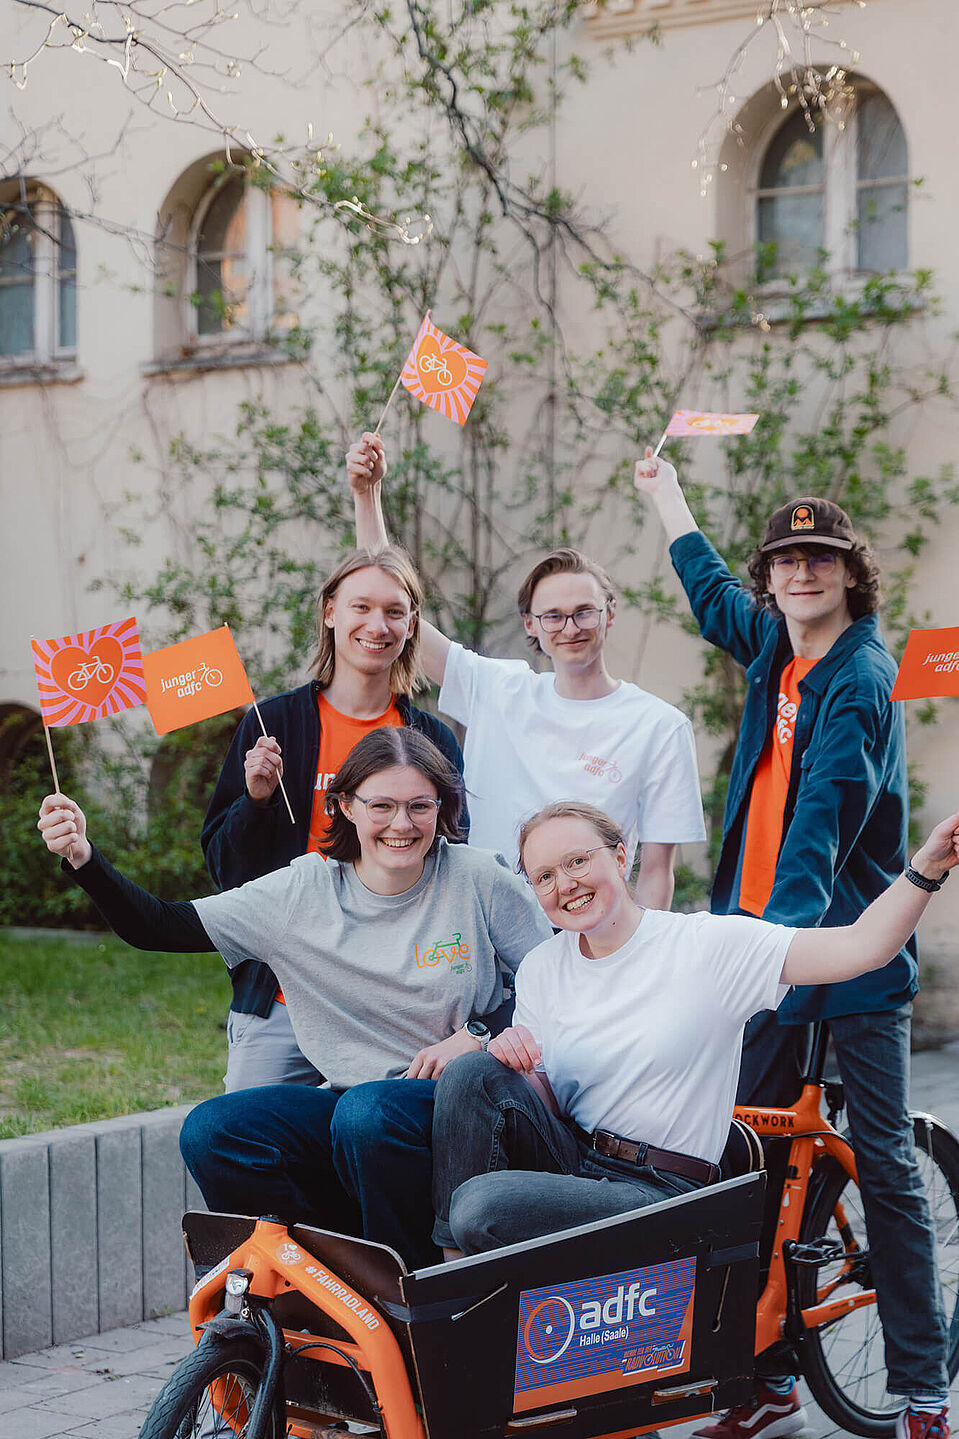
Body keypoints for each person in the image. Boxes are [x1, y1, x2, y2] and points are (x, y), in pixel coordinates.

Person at [634, 452, 951, 1439]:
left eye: (818, 559)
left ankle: (921, 1383)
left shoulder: (857, 677)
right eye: (784, 560)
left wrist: (757, 951)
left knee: (885, 1170)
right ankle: (760, 1375)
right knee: (746, 1164)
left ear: (847, 574)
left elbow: (820, 822)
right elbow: (711, 599)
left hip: (844, 955)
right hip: (763, 950)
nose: (799, 573)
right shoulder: (776, 642)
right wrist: (662, 493)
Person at [38, 728, 552, 1269]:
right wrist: (83, 857)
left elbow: (558, 984)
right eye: (382, 805)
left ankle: (408, 1283)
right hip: (356, 1102)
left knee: (365, 1113)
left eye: (419, 806)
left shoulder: (476, 877)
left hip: (461, 1102)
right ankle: (315, 1278)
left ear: (441, 808)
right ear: (345, 806)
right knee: (215, 1130)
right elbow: (161, 926)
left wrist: (476, 1036)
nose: (402, 824)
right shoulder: (302, 892)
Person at [431, 799, 958, 1266]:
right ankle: (449, 1284)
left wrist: (926, 868)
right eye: (544, 876)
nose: (564, 884)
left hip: (662, 1188)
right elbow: (546, 1101)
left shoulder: (705, 946)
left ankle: (459, 1291)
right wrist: (507, 1056)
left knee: (480, 1206)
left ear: (620, 856)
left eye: (577, 860)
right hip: (578, 1162)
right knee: (472, 1070)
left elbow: (860, 948)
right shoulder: (543, 966)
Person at [346, 433, 705, 906]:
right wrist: (367, 496)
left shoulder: (659, 726)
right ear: (531, 625)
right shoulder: (499, 689)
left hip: (586, 941)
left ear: (610, 614)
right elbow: (400, 609)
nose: (570, 627)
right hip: (485, 938)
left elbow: (657, 872)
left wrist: (638, 965)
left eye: (585, 611)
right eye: (552, 616)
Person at [201, 545, 466, 1092]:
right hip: (281, 997)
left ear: (412, 623)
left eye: (395, 611)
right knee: (246, 1145)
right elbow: (226, 871)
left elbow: (453, 866)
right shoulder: (272, 724)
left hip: (398, 1001)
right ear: (330, 612)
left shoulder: (431, 739)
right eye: (361, 607)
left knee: (377, 1156)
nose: (378, 624)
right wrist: (256, 801)